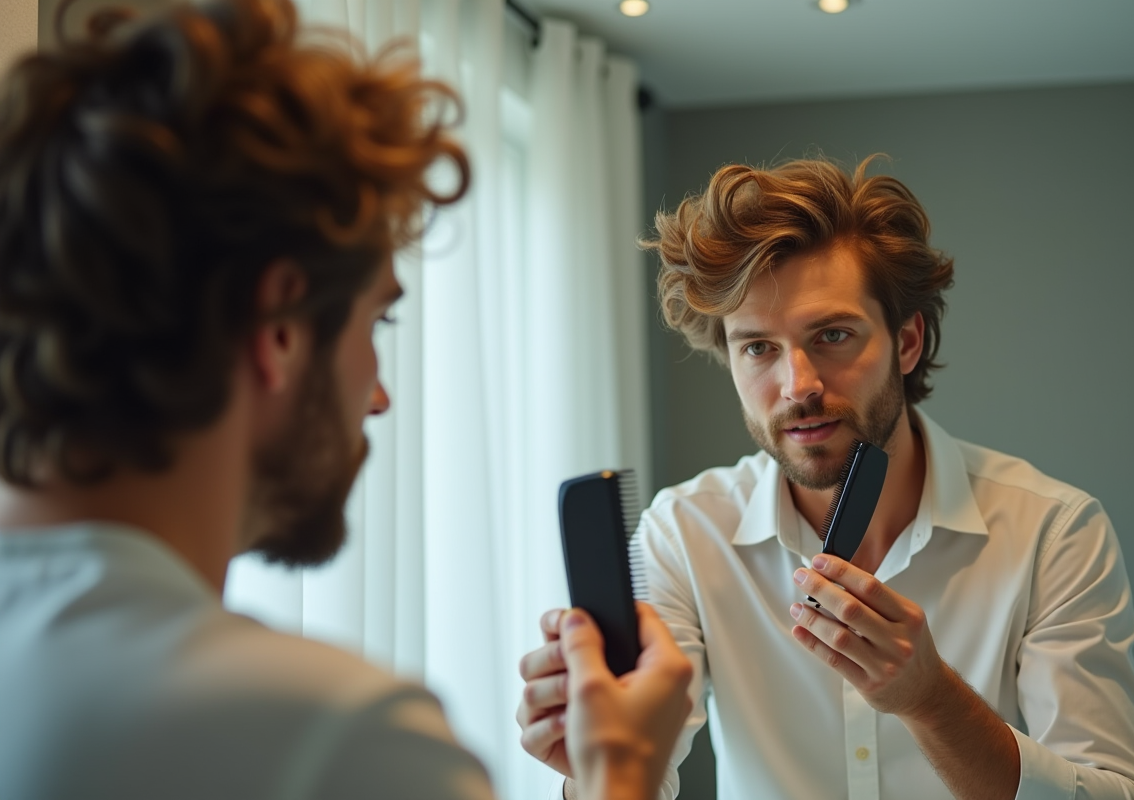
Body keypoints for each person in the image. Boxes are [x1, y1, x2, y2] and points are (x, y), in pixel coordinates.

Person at [0, 1, 693, 798]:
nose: (381, 397)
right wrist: (625, 775)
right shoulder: (333, 740)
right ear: (281, 329)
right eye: (379, 319)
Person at [516, 158, 1134, 800]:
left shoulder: (1053, 532)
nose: (798, 385)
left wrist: (933, 702)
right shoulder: (685, 535)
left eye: (832, 335)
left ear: (907, 342)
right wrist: (597, 768)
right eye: (758, 347)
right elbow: (640, 772)